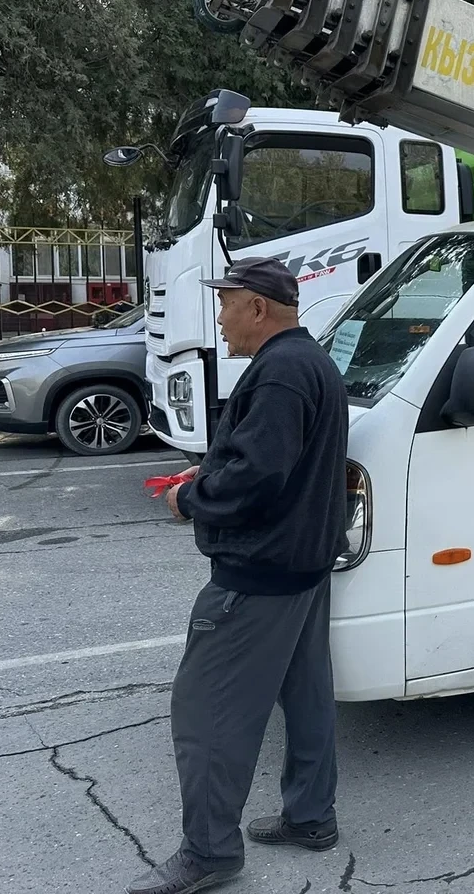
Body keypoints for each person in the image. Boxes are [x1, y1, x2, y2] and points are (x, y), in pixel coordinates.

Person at [128, 257, 350, 894]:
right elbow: (278, 459)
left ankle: (209, 852)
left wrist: (191, 498)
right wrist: (207, 473)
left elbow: (259, 476)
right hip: (305, 566)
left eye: (226, 304)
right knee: (306, 697)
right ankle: (311, 817)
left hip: (261, 573)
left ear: (257, 307)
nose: (220, 318)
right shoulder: (309, 361)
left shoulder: (280, 372)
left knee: (205, 710)